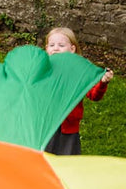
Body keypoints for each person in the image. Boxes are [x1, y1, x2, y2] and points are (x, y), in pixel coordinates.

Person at [44, 26, 114, 155]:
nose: (56, 48)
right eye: (51, 45)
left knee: (67, 163)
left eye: (61, 45)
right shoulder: (42, 69)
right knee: (43, 161)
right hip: (44, 126)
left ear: (72, 49)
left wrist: (102, 83)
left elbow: (94, 95)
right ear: (47, 49)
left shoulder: (79, 73)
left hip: (68, 129)